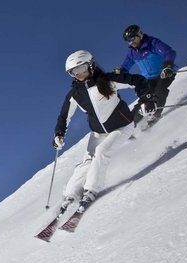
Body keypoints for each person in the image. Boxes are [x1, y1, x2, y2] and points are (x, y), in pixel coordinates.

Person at [53, 50, 155, 214]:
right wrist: (59, 133)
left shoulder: (108, 80)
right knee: (86, 162)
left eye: (82, 68)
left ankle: (91, 190)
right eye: (74, 72)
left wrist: (147, 98)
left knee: (102, 151)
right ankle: (71, 195)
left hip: (121, 126)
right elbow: (64, 116)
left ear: (91, 65)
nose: (79, 74)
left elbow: (138, 80)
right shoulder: (75, 94)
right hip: (98, 133)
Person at [118, 24, 177, 122]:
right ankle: (131, 125)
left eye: (132, 38)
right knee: (144, 99)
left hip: (164, 73)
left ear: (140, 35)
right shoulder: (132, 52)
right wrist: (120, 74)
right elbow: (125, 67)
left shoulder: (152, 43)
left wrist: (168, 66)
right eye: (128, 40)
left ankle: (155, 116)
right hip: (148, 79)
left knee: (159, 90)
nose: (131, 42)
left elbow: (169, 52)